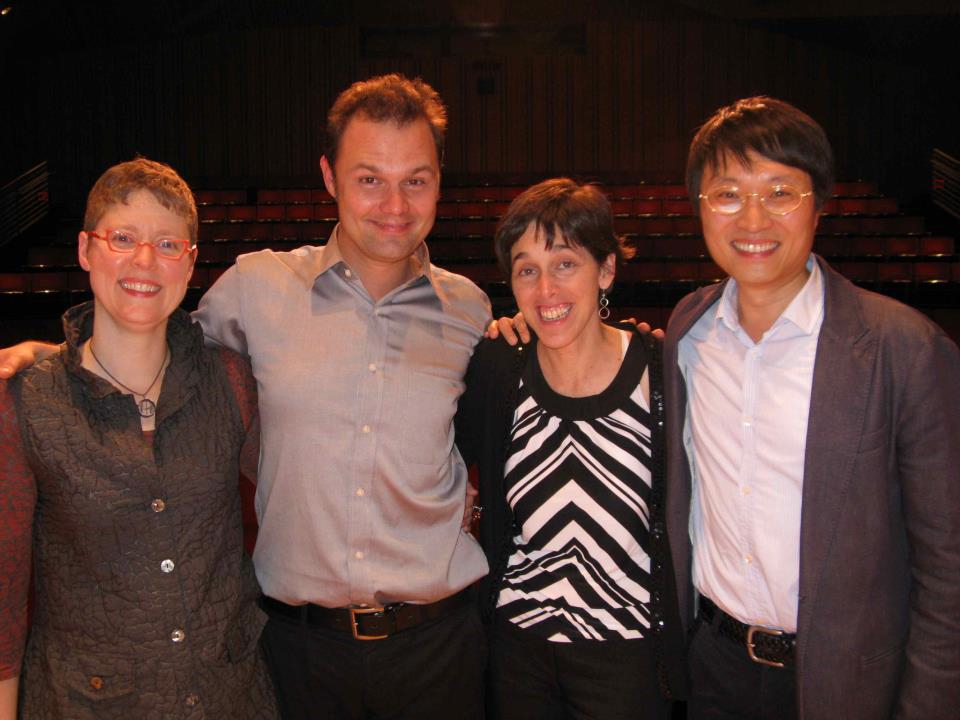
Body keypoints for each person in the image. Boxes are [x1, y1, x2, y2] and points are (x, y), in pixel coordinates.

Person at [0, 74, 491, 718]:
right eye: (370, 177)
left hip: (440, 646)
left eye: (416, 179)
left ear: (438, 181)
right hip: (299, 649)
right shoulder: (255, 287)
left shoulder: (471, 309)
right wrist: (56, 358)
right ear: (329, 176)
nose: (394, 202)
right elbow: (151, 330)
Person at [665, 96, 960, 719]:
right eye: (727, 193)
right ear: (700, 208)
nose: (752, 217)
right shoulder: (688, 334)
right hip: (714, 669)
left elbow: (948, 564)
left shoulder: (902, 346)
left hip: (847, 682)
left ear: (819, 204)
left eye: (780, 191)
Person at [0, 158, 278, 719]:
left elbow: (306, 481)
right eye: (122, 238)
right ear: (85, 250)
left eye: (168, 244)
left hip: (230, 699)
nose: (145, 260)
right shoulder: (26, 401)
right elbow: (4, 595)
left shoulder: (231, 380)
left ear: (191, 262)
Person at [455, 178, 686, 719]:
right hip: (517, 653)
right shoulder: (498, 367)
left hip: (629, 657)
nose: (545, 290)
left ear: (606, 270)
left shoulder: (663, 369)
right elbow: (446, 459)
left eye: (565, 263)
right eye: (526, 270)